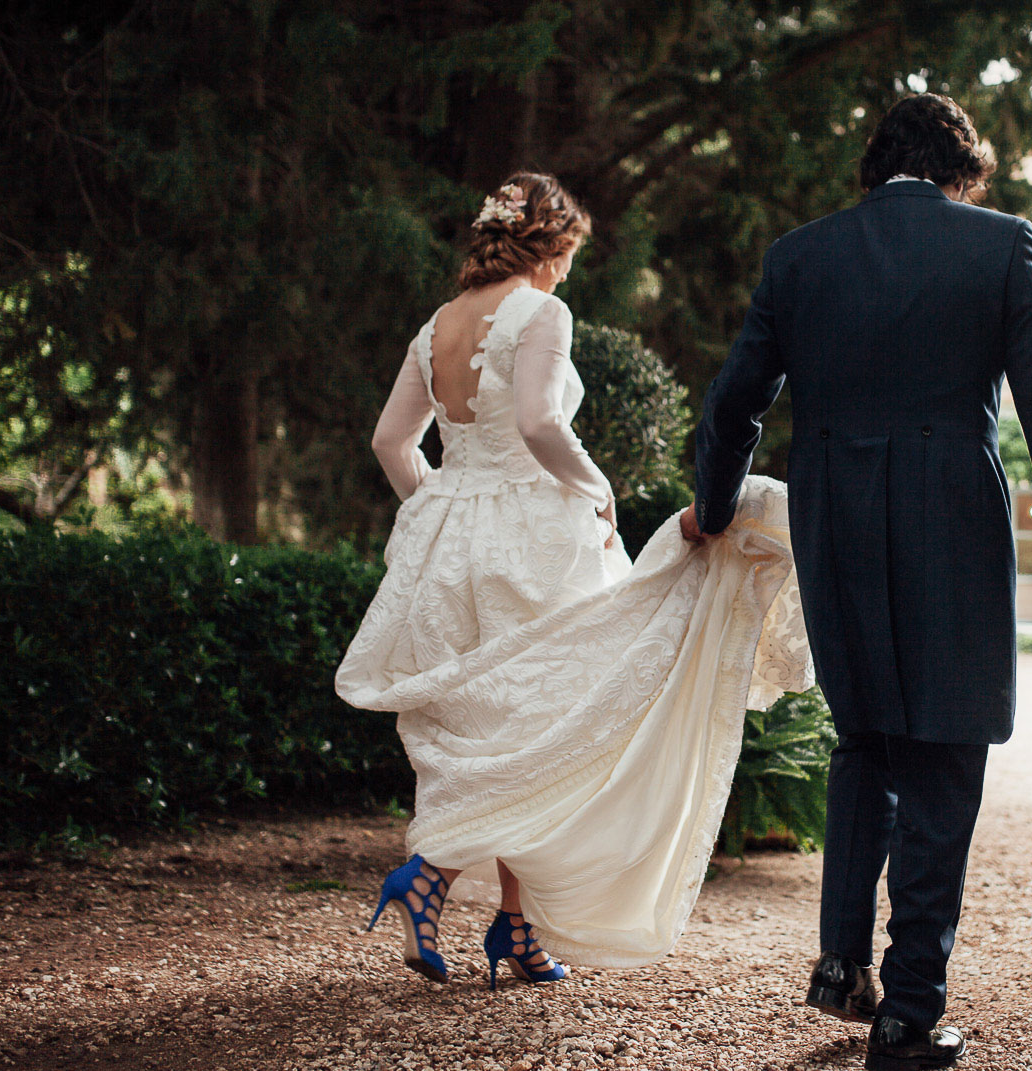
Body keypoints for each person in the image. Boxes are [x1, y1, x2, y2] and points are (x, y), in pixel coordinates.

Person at [687, 93, 1032, 1071]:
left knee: (865, 732)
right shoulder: (1000, 245)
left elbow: (735, 396)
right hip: (949, 523)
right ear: (961, 171)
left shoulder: (800, 255)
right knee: (944, 755)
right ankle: (908, 1015)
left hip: (835, 523)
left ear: (872, 168)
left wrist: (710, 503)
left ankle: (839, 963)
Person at [336, 172, 812, 989]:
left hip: (453, 547)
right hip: (537, 538)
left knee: (500, 726)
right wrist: (597, 490)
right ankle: (451, 885)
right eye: (571, 253)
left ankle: (509, 923)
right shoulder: (541, 311)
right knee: (550, 724)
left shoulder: (435, 327)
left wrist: (443, 507)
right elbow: (538, 423)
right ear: (551, 243)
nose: (569, 271)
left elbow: (390, 441)